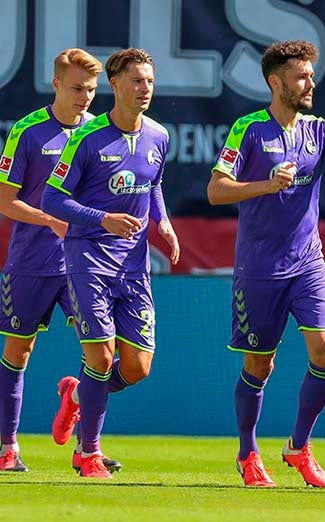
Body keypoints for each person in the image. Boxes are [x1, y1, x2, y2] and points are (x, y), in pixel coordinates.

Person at [207, 40, 325, 488]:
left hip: (308, 263)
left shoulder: (320, 130)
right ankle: (248, 453)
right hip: (258, 270)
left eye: (311, 74)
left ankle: (299, 446)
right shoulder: (248, 129)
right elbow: (216, 191)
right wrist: (264, 185)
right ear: (275, 81)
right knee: (259, 368)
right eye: (301, 76)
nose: (310, 83)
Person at [41, 48, 180, 479]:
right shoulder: (86, 138)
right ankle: (89, 454)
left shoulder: (159, 136)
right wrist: (102, 218)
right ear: (115, 85)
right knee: (101, 357)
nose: (145, 90)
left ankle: (77, 397)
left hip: (134, 267)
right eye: (137, 81)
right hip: (88, 261)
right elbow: (51, 199)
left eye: (150, 82)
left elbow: (153, 183)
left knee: (137, 368)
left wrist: (165, 223)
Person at [0, 48, 116, 473]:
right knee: (18, 351)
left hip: (84, 263)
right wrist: (51, 220)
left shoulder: (99, 132)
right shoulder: (28, 132)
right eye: (76, 88)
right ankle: (8, 448)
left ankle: (89, 450)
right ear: (55, 85)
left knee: (102, 356)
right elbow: (4, 201)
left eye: (90, 89)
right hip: (31, 261)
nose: (85, 96)